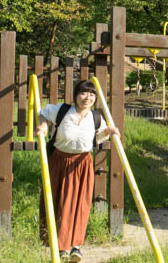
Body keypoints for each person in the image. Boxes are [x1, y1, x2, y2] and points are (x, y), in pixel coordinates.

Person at [36, 79, 120, 262]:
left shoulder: (96, 117)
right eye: (83, 93)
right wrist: (43, 125)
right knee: (60, 202)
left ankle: (76, 246)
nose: (87, 97)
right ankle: (60, 246)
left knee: (80, 204)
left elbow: (99, 135)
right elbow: (43, 113)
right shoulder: (62, 111)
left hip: (83, 164)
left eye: (91, 94)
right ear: (75, 95)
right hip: (60, 161)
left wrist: (110, 131)